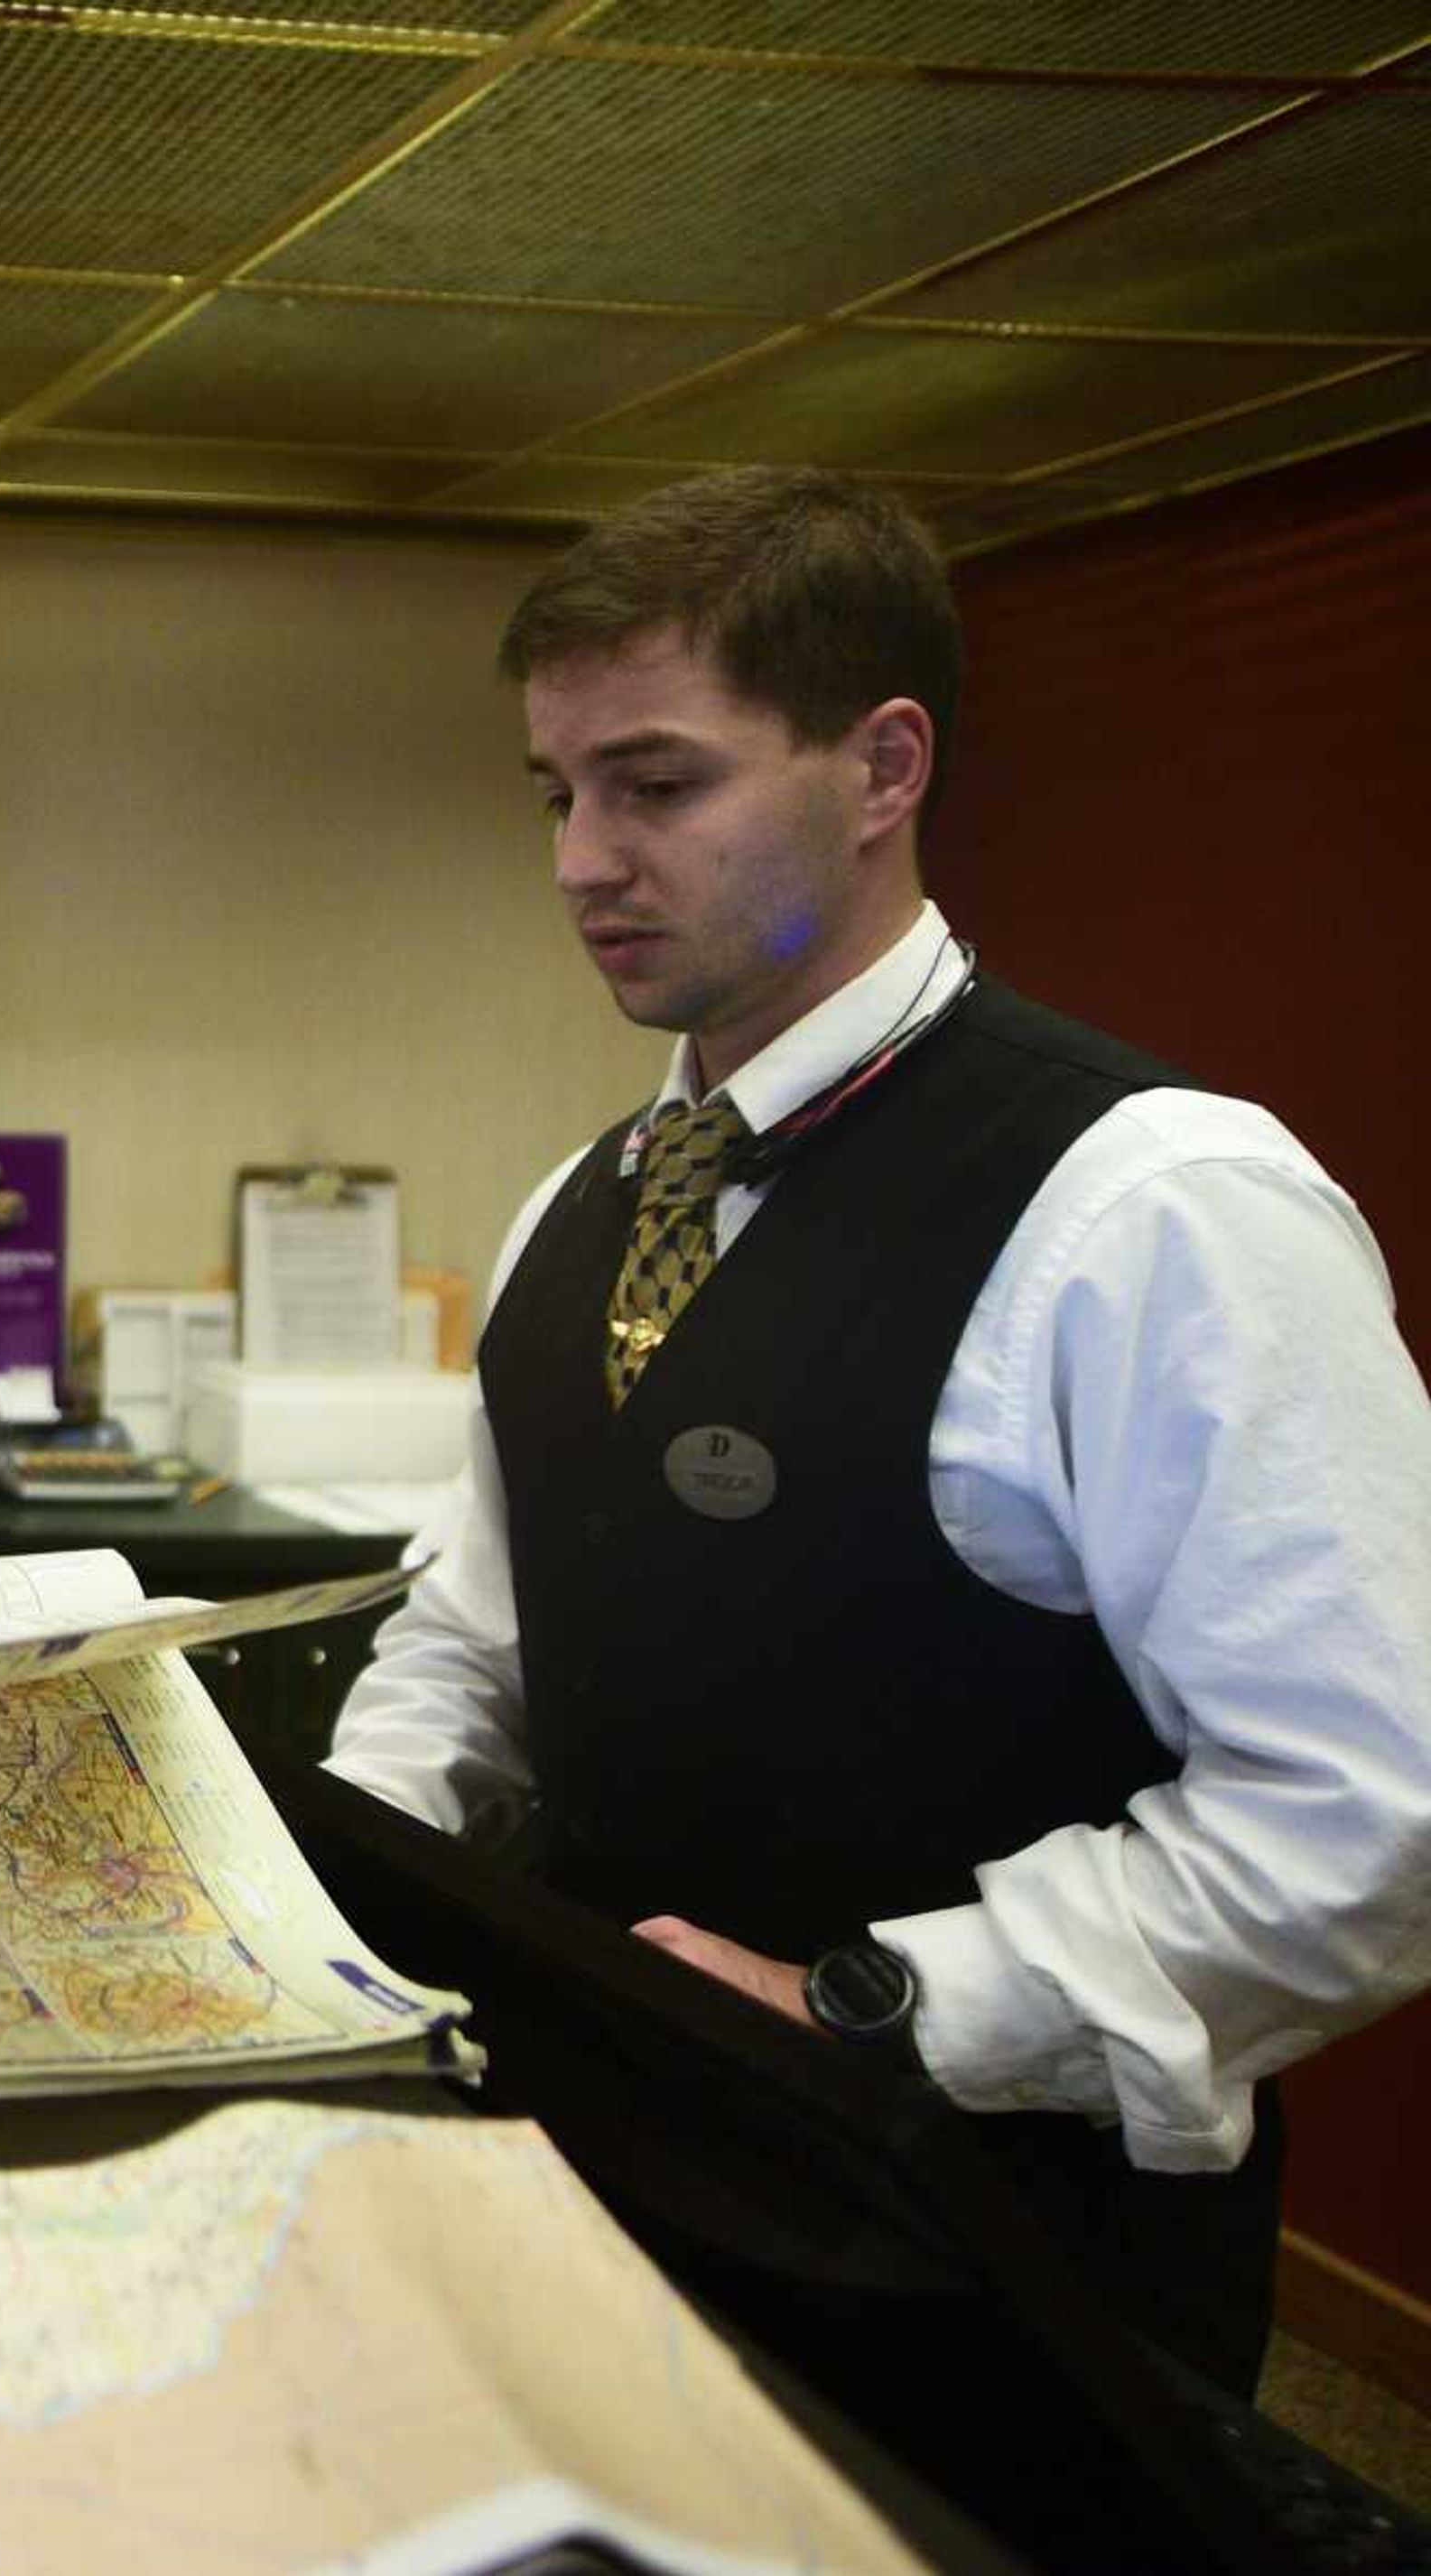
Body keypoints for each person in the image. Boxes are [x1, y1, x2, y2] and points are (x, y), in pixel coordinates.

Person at [324, 464, 1431, 2397]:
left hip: (987, 2278)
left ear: (884, 764)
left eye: (657, 785)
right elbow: (479, 1638)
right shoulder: (580, 1199)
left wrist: (883, 1999)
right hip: (606, 2202)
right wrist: (339, 1886)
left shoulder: (1159, 1201)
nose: (583, 857)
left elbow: (1368, 1815)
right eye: (555, 793)